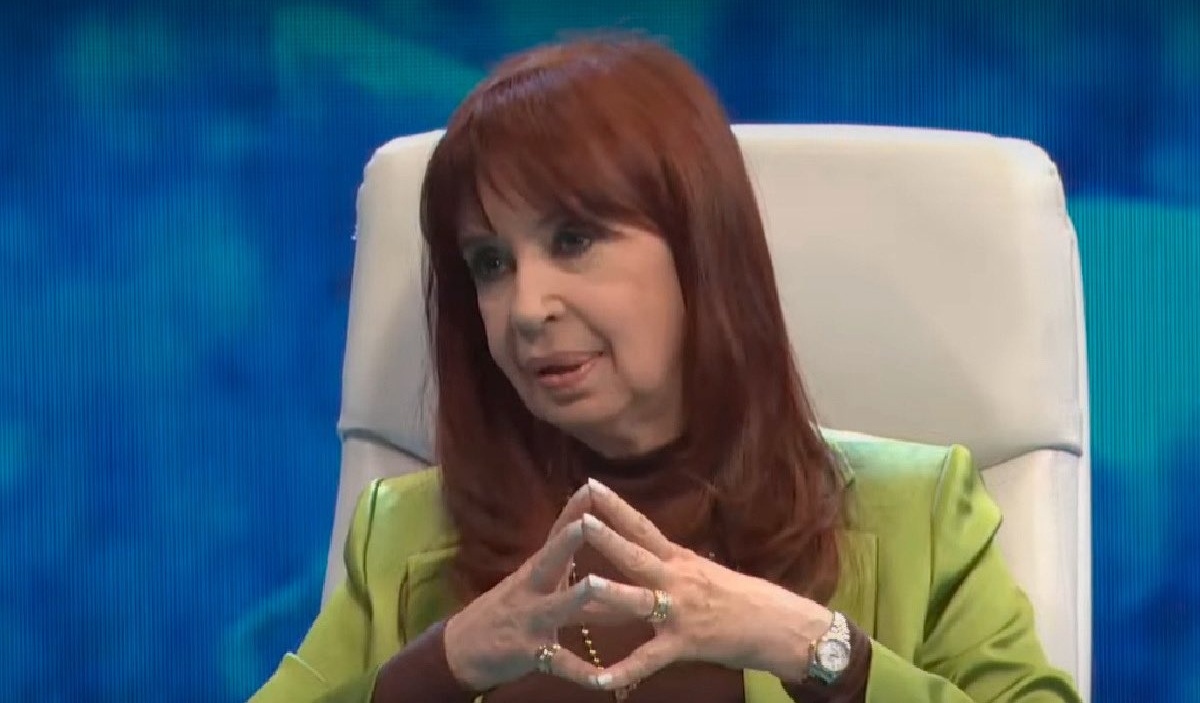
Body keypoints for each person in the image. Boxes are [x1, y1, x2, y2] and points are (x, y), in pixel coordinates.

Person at [249, 34, 1082, 703]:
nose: (526, 306)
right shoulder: (403, 531)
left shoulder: (916, 513)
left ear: (699, 252)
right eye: (490, 262)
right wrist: (441, 664)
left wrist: (815, 647)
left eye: (573, 240)